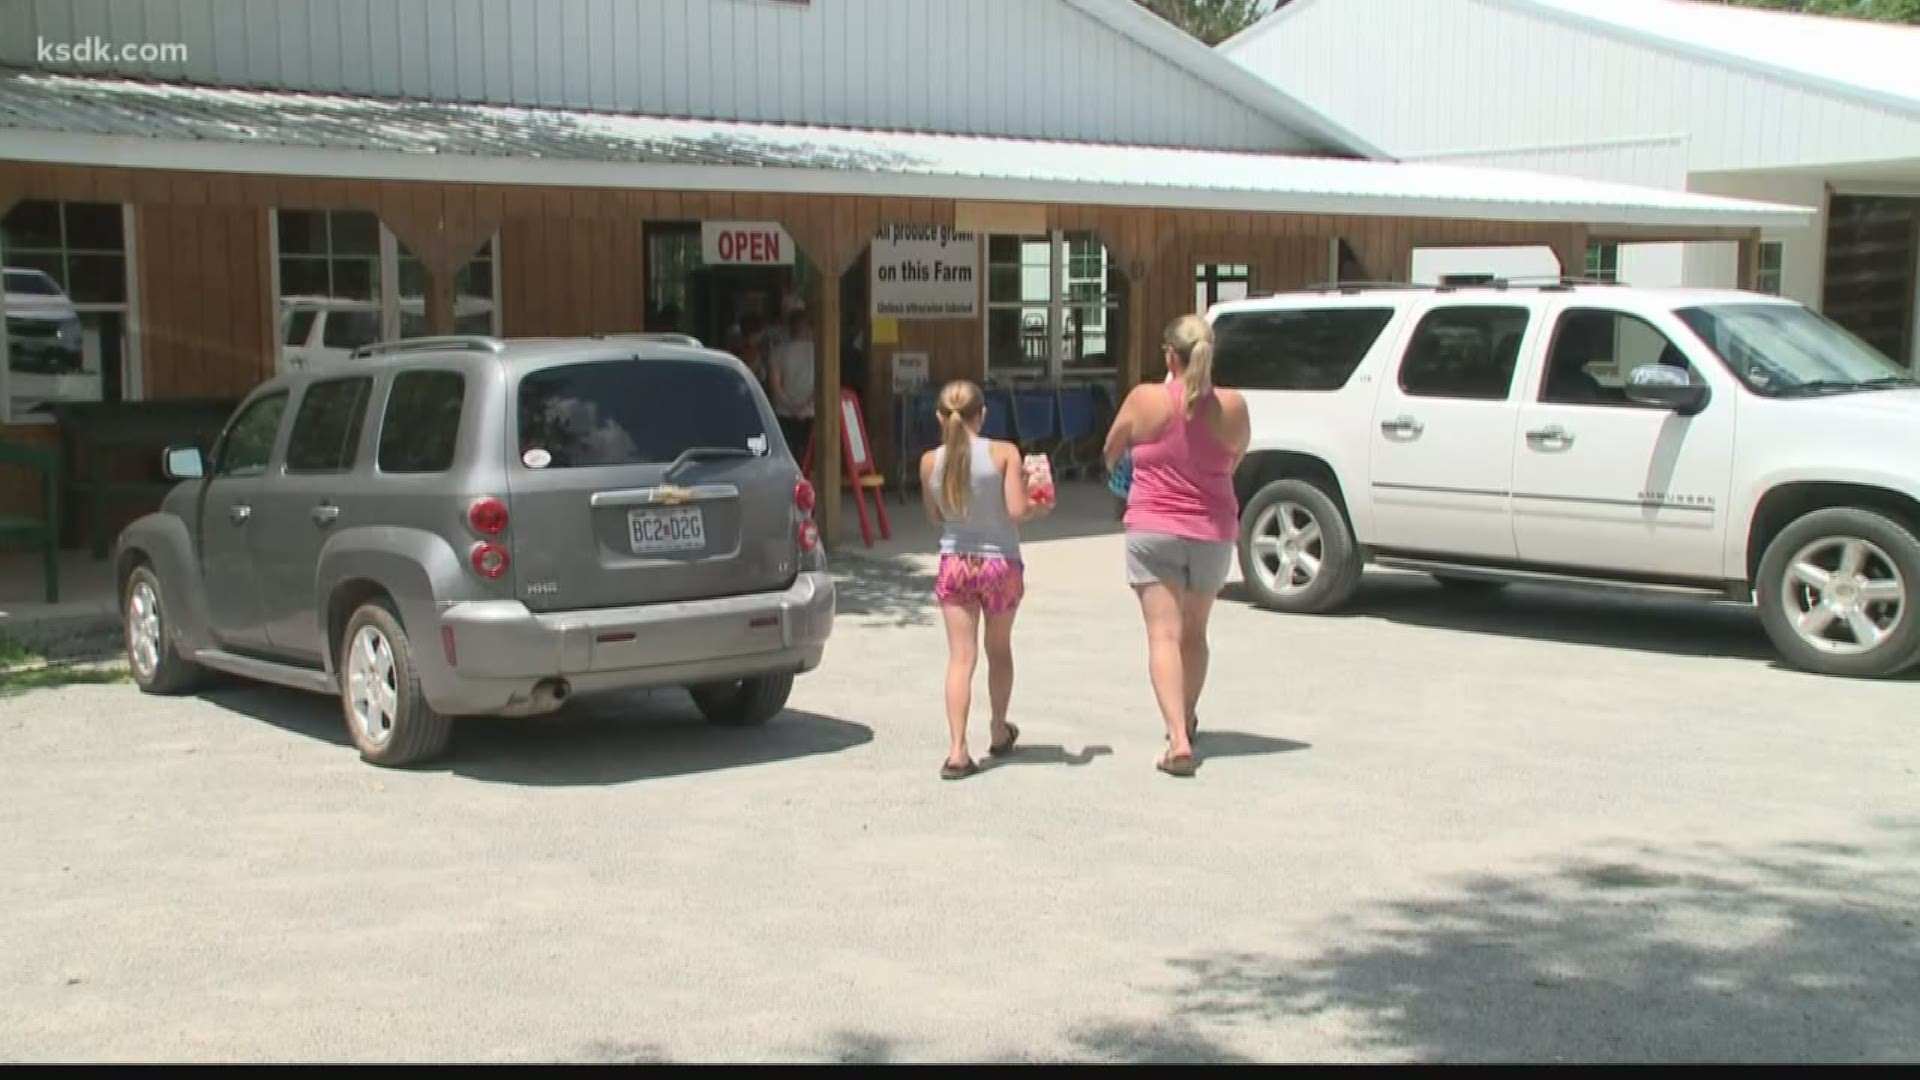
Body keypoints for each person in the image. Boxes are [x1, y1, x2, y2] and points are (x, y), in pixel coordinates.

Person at [1103, 314, 1250, 778]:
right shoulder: (1234, 406)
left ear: (1170, 355)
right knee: (1195, 634)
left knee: (1163, 636)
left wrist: (1127, 470)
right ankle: (1187, 716)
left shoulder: (1145, 399)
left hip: (1154, 527)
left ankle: (1178, 738)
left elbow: (1110, 451)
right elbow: (1236, 457)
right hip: (1212, 529)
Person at [919, 380, 1052, 780]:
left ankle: (957, 750)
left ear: (940, 417)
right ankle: (997, 727)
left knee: (960, 658)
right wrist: (1038, 501)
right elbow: (1015, 510)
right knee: (998, 649)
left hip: (955, 560)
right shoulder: (1004, 453)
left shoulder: (930, 462)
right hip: (1000, 564)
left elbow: (935, 517)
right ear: (983, 414)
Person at [768, 308, 816, 458]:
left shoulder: (778, 352)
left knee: (788, 456)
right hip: (812, 412)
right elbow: (822, 385)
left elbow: (775, 386)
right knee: (811, 458)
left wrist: (791, 407)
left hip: (785, 412)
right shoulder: (821, 352)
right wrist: (807, 406)